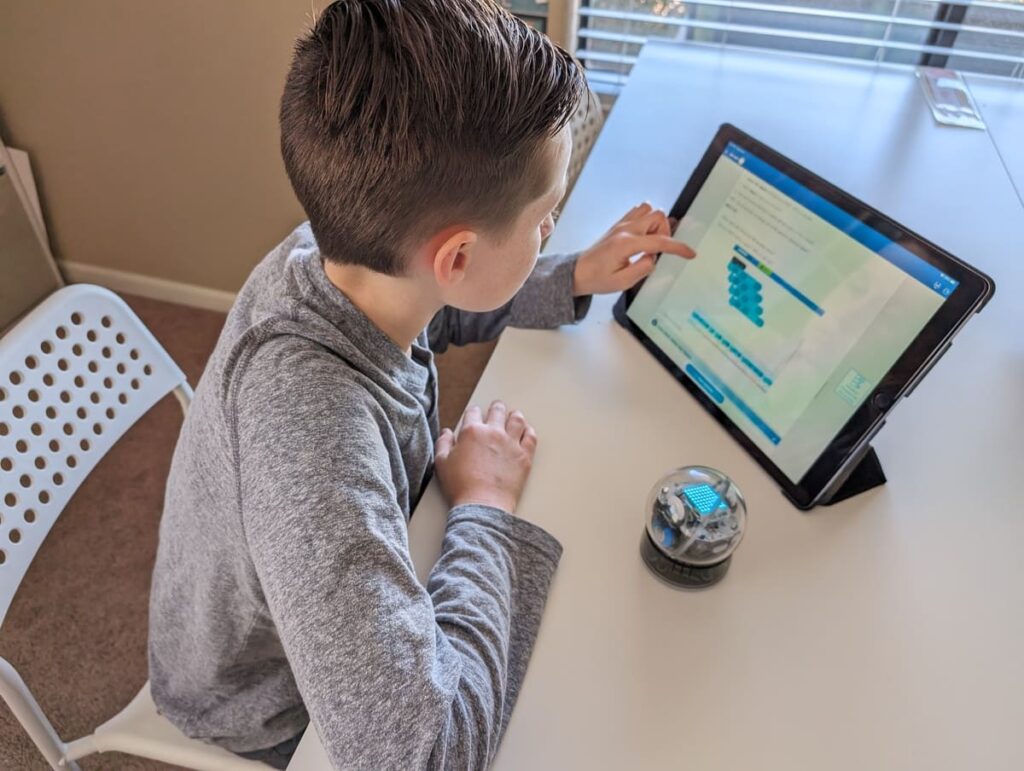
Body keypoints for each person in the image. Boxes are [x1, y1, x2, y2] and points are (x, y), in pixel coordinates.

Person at [147, 1, 694, 768]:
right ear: (458, 257)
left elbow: (432, 303)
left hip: (325, 592)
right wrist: (484, 504)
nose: (549, 228)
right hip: (267, 702)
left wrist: (570, 274)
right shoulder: (308, 439)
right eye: (545, 217)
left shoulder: (343, 250)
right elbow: (424, 753)